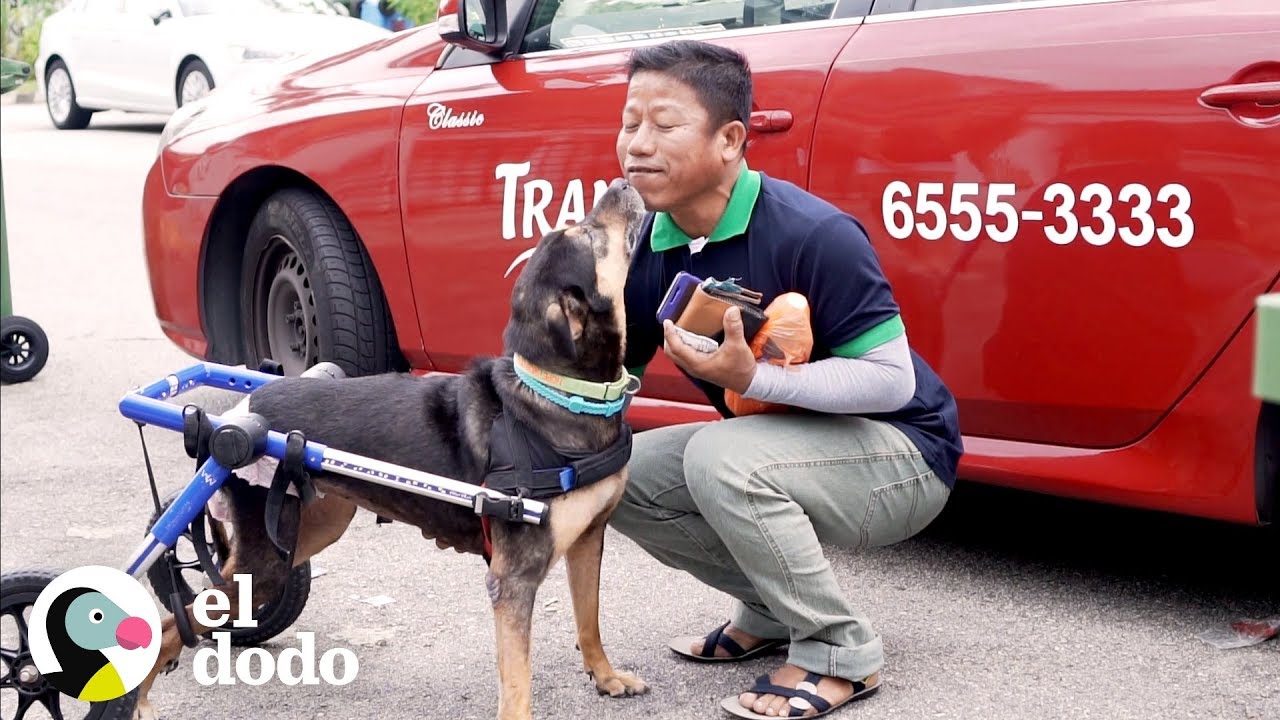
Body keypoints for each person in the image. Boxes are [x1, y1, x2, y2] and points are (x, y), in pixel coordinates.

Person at [608, 39, 964, 719]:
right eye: (629, 124)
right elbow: (615, 384)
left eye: (664, 124)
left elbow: (890, 383)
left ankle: (840, 652)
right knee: (615, 472)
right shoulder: (652, 248)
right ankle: (773, 613)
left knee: (723, 456)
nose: (638, 145)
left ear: (730, 139)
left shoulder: (811, 232)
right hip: (788, 449)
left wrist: (757, 379)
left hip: (904, 459)